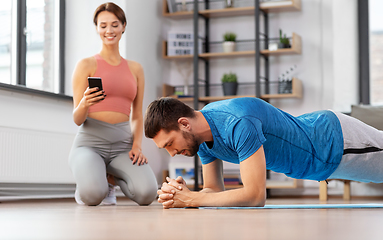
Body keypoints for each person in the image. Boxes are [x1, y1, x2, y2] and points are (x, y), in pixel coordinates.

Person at [144, 97, 383, 208]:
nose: (172, 153)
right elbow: (214, 191)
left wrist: (193, 198)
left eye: (169, 144)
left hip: (333, 142)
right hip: (322, 161)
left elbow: (255, 196)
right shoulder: (203, 140)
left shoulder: (238, 123)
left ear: (184, 124)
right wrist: (182, 197)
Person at [68, 2, 157, 206]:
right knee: (92, 196)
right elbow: (77, 119)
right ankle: (95, 180)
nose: (109, 30)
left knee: (147, 194)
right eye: (103, 25)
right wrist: (84, 103)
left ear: (124, 26)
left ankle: (111, 177)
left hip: (122, 145)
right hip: (90, 143)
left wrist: (137, 145)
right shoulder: (85, 65)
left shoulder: (136, 69)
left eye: (115, 24)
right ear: (97, 28)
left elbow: (136, 114)